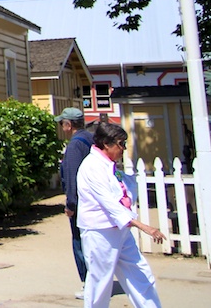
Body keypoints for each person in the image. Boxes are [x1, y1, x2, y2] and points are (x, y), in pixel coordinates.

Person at [76, 121, 166, 308]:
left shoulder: (109, 165)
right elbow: (110, 203)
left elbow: (123, 190)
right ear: (107, 144)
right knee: (100, 283)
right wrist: (143, 226)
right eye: (121, 144)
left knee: (140, 274)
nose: (124, 148)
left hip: (120, 230)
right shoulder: (92, 166)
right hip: (100, 232)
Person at [57, 106, 94, 299]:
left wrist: (71, 204)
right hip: (92, 200)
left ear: (69, 124)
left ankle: (88, 282)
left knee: (79, 242)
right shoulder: (90, 139)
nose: (62, 127)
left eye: (62, 123)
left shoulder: (74, 146)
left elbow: (72, 177)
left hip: (81, 203)